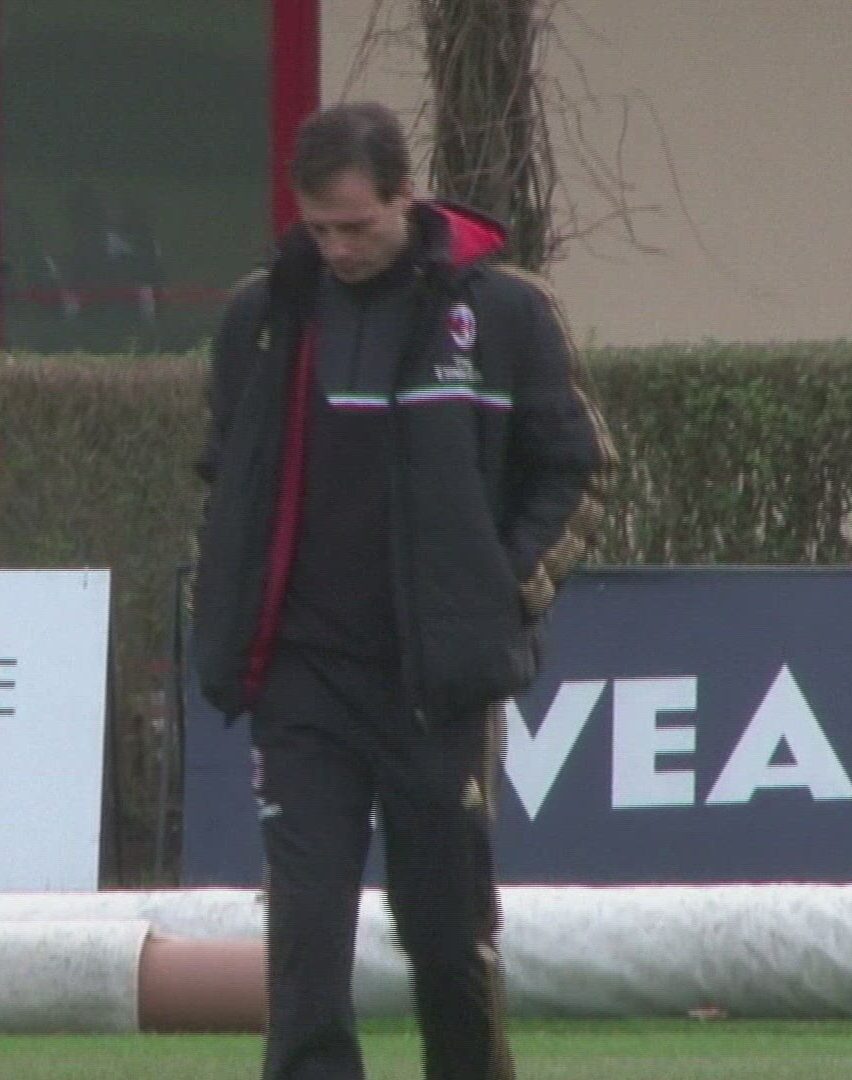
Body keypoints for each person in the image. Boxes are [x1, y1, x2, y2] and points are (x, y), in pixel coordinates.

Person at [190, 101, 616, 1080]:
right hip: (302, 676)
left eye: (357, 226)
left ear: (406, 199)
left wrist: (499, 596)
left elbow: (581, 469)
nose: (338, 249)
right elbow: (229, 479)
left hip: (436, 681)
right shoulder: (263, 317)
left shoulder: (505, 312)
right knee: (303, 933)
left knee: (445, 935)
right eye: (319, 229)